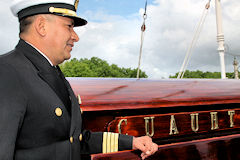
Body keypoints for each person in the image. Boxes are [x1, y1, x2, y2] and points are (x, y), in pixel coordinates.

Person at [0, 0, 158, 159]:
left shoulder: (54, 75)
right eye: (69, 26)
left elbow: (76, 141)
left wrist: (132, 142)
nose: (75, 37)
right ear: (42, 26)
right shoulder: (6, 72)